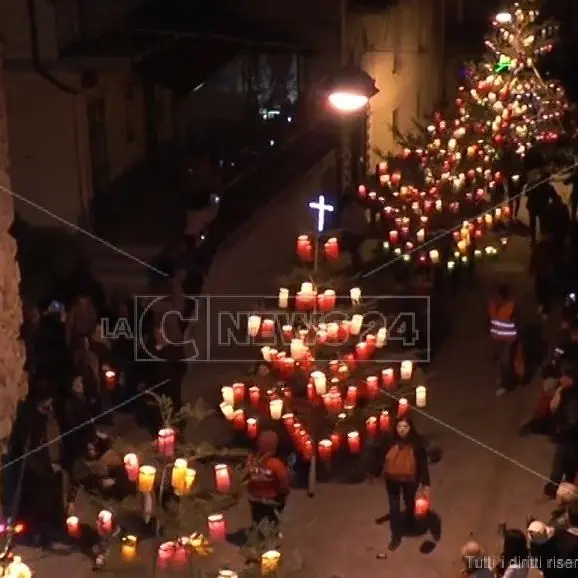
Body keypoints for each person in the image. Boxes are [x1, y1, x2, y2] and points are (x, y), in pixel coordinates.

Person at [10, 390, 70, 549]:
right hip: (38, 472)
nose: (50, 406)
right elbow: (30, 452)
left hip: (52, 468)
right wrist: (46, 468)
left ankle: (55, 530)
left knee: (55, 501)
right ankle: (39, 536)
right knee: (40, 505)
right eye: (46, 404)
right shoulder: (31, 423)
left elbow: (56, 440)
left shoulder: (49, 416)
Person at [382, 416, 430, 551]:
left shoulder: (417, 444)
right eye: (399, 427)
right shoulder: (390, 441)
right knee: (394, 507)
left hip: (410, 480)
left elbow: (422, 464)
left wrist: (425, 483)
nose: (402, 429)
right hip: (391, 480)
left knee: (409, 501)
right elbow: (382, 457)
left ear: (410, 428)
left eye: (405, 427)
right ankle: (396, 536)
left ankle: (409, 521)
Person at [246, 430, 290, 538]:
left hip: (254, 498)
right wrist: (284, 493)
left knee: (257, 516)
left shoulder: (251, 460)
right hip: (273, 499)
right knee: (272, 518)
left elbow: (246, 477)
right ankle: (272, 535)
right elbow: (283, 481)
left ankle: (257, 533)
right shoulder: (276, 464)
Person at [544, 365, 578, 497]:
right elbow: (554, 408)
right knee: (568, 463)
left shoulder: (571, 395)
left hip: (569, 436)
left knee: (562, 462)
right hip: (568, 435)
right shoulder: (564, 391)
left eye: (564, 377)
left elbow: (571, 418)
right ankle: (563, 490)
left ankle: (555, 488)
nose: (561, 379)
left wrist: (562, 429)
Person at [488, 284, 518, 396]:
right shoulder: (491, 304)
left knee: (505, 362)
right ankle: (504, 379)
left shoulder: (511, 307)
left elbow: (517, 323)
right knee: (501, 362)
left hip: (508, 339)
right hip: (496, 338)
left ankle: (506, 385)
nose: (494, 297)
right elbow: (490, 320)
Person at [525, 169, 557, 246]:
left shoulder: (533, 184)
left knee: (533, 223)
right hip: (540, 208)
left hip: (533, 207)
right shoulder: (548, 187)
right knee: (542, 223)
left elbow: (526, 193)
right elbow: (555, 197)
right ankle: (541, 240)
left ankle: (534, 240)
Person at [530, 233, 557, 320]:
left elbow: (554, 260)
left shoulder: (550, 248)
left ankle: (546, 310)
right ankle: (541, 305)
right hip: (541, 272)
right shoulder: (539, 247)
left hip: (547, 273)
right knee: (539, 289)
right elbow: (534, 257)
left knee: (546, 292)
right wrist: (532, 267)